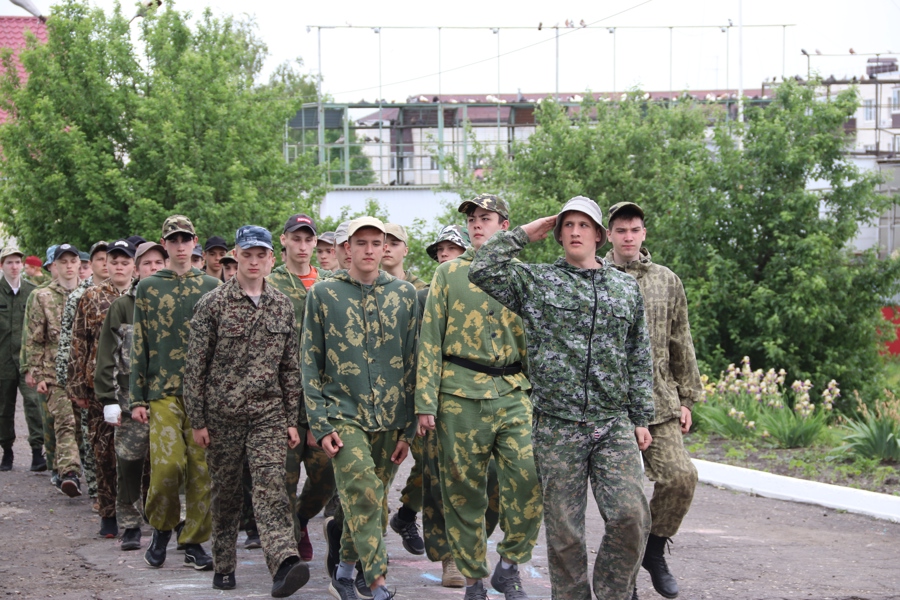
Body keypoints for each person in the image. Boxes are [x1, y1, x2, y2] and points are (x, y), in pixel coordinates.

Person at [468, 196, 654, 600]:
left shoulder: (625, 287)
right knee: (565, 534)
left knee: (631, 517)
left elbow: (639, 352)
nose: (574, 231)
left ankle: (612, 594)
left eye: (583, 225)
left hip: (612, 422)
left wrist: (642, 416)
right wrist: (523, 234)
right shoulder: (536, 282)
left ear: (600, 236)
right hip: (557, 425)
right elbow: (482, 269)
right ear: (557, 234)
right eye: (566, 225)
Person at [416, 194, 542, 600]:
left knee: (529, 477)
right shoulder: (449, 274)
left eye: (485, 218)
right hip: (459, 395)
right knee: (463, 492)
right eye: (472, 219)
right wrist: (424, 402)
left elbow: (536, 342)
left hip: (512, 391)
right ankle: (473, 580)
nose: (476, 225)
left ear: (505, 225)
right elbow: (430, 338)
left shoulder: (522, 275)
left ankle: (509, 565)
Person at [185, 225, 310, 597]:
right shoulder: (213, 303)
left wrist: (290, 419)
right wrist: (198, 420)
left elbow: (290, 368)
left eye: (261, 255)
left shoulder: (282, 304)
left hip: (267, 415)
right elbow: (195, 367)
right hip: (222, 415)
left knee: (271, 486)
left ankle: (284, 561)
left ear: (271, 259)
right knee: (226, 493)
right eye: (247, 254)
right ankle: (224, 563)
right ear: (235, 257)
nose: (254, 261)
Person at [302, 216, 417, 600]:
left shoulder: (404, 295)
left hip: (391, 418)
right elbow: (309, 362)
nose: (369, 250)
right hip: (343, 414)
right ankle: (378, 581)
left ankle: (346, 571)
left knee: (371, 502)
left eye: (376, 242)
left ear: (386, 246)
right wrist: (320, 423)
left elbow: (415, 362)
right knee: (365, 495)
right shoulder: (323, 294)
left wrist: (409, 429)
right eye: (361, 243)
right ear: (346, 248)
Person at [605, 201, 702, 600]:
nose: (628, 237)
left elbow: (681, 338)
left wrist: (688, 396)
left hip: (660, 401)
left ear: (644, 234)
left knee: (681, 478)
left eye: (635, 230)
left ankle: (656, 549)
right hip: (611, 406)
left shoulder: (666, 280)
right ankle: (623, 585)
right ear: (608, 235)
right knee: (626, 507)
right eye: (621, 230)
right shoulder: (595, 277)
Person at [130, 215, 220, 571]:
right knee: (167, 468)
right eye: (174, 240)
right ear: (164, 244)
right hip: (163, 391)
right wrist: (136, 398)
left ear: (194, 241)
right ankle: (162, 526)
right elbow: (139, 343)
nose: (180, 246)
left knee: (201, 471)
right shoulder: (149, 287)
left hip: (205, 397)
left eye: (185, 239)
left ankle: (195, 541)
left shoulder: (212, 285)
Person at [416, 224, 493, 590]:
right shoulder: (422, 296)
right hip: (440, 398)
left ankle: (472, 545)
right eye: (441, 251)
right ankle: (451, 556)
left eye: (453, 249)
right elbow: (418, 350)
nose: (445, 255)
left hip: (485, 398)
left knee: (490, 480)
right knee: (440, 481)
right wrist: (422, 402)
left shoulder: (487, 288)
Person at [265, 213, 336, 563]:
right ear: (284, 241)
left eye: (309, 240)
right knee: (283, 478)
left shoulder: (328, 283)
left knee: (326, 474)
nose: (304, 246)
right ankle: (287, 551)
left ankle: (303, 518)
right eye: (297, 239)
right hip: (282, 397)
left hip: (322, 396)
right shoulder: (270, 284)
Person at [95, 242, 168, 552]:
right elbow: (107, 357)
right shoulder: (123, 307)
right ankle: (130, 525)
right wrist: (108, 398)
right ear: (137, 269)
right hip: (128, 398)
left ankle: (167, 521)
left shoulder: (177, 303)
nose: (153, 268)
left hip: (167, 396)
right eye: (147, 263)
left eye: (157, 263)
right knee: (129, 462)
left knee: (169, 464)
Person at [68, 239, 137, 538]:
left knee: (137, 455)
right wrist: (77, 385)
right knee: (104, 453)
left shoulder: (143, 295)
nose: (120, 266)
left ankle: (138, 512)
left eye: (125, 261)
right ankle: (108, 514)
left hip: (134, 387)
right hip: (101, 387)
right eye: (114, 261)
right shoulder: (91, 296)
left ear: (133, 265)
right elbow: (79, 340)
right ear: (106, 264)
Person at [379, 222, 429, 556]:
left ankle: (407, 514)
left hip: (417, 393)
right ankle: (369, 551)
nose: (386, 248)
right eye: (381, 242)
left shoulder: (423, 291)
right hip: (380, 396)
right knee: (377, 478)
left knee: (429, 467)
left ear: (405, 249)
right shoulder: (365, 286)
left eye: (394, 242)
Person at [22, 243, 84, 497]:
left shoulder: (89, 292)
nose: (68, 266)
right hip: (54, 373)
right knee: (65, 421)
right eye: (63, 262)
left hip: (83, 373)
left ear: (79, 264)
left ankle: (63, 468)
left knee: (80, 425)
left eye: (73, 261)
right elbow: (34, 338)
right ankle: (69, 473)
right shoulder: (42, 296)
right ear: (54, 266)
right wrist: (35, 373)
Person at [57, 240, 109, 509]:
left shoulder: (127, 293)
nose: (102, 263)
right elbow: (70, 341)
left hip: (117, 380)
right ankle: (96, 489)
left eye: (105, 258)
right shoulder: (80, 296)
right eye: (98, 258)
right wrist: (69, 382)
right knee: (90, 438)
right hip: (89, 379)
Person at [0, 247, 45, 472]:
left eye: (18, 262)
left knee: (33, 403)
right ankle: (7, 451)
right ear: (2, 266)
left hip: (28, 359)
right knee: (4, 408)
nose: (15, 266)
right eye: (9, 262)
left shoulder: (33, 291)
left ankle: (38, 452)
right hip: (2, 360)